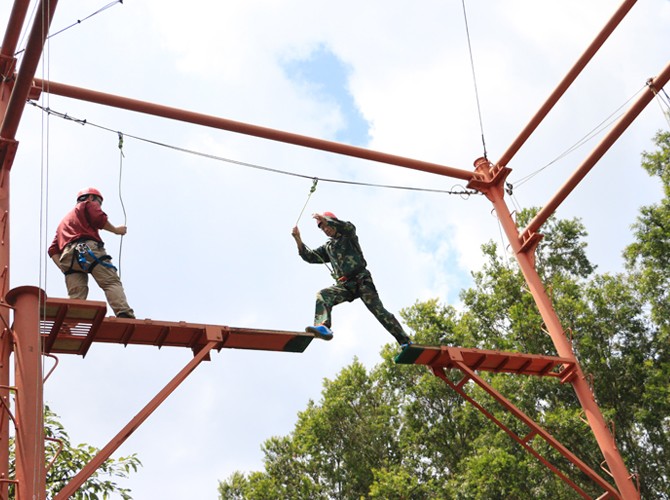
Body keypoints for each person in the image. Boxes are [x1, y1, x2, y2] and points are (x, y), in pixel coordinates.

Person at [292, 212, 412, 347]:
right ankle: (323, 326)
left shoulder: (348, 235)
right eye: (322, 228)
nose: (325, 229)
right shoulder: (328, 247)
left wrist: (325, 219)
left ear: (334, 222)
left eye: (326, 225)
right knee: (323, 295)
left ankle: (405, 341)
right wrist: (298, 239)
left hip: (361, 281)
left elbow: (347, 227)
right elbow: (309, 256)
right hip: (345, 286)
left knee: (379, 311)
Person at [48, 187, 135, 318]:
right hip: (87, 249)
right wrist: (116, 230)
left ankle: (70, 321)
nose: (98, 205)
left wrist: (63, 268)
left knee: (76, 295)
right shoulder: (88, 204)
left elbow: (53, 249)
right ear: (90, 197)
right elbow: (98, 218)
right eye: (99, 202)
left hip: (68, 258)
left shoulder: (63, 223)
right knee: (110, 282)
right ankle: (123, 313)